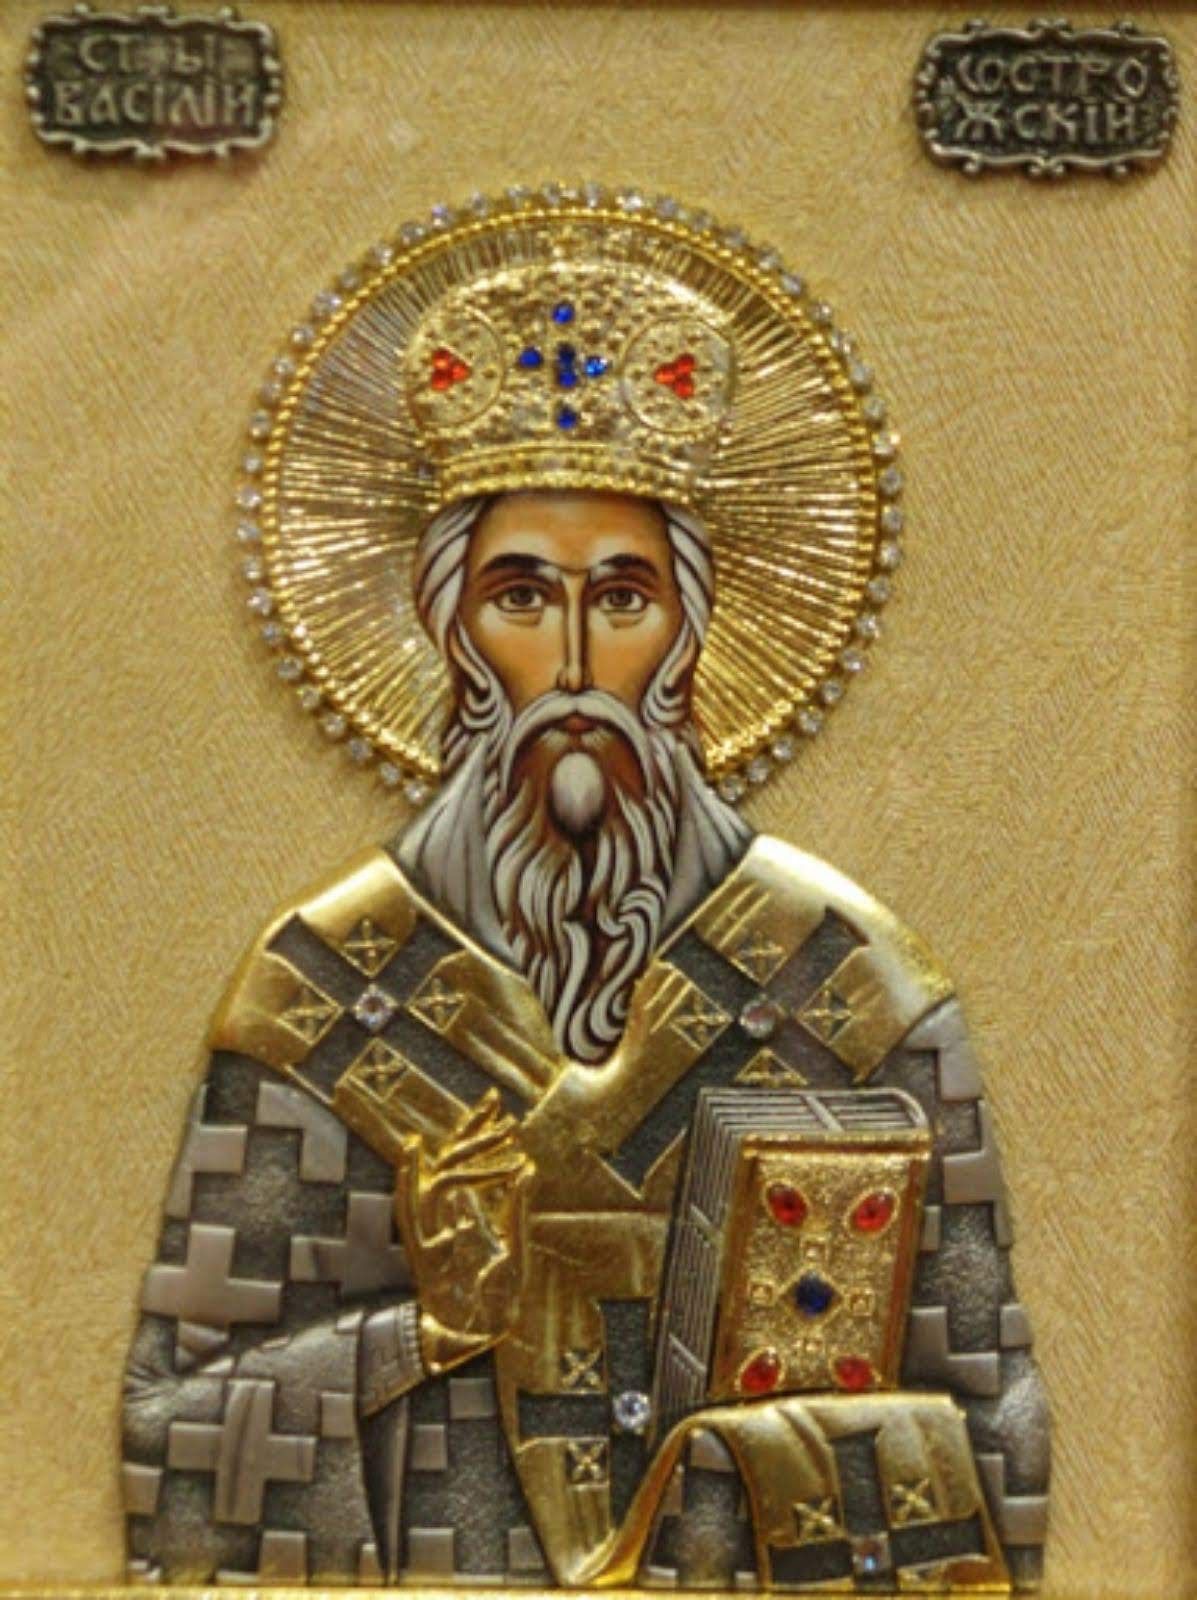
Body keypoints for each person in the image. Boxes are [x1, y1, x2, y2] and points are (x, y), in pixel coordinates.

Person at [122, 485, 1048, 1590]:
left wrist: (759, 1461)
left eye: (621, 600)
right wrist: (428, 1332)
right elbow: (172, 1423)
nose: (571, 666)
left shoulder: (848, 983)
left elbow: (995, 1419)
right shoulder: (316, 994)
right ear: (452, 635)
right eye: (520, 597)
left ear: (687, 636)